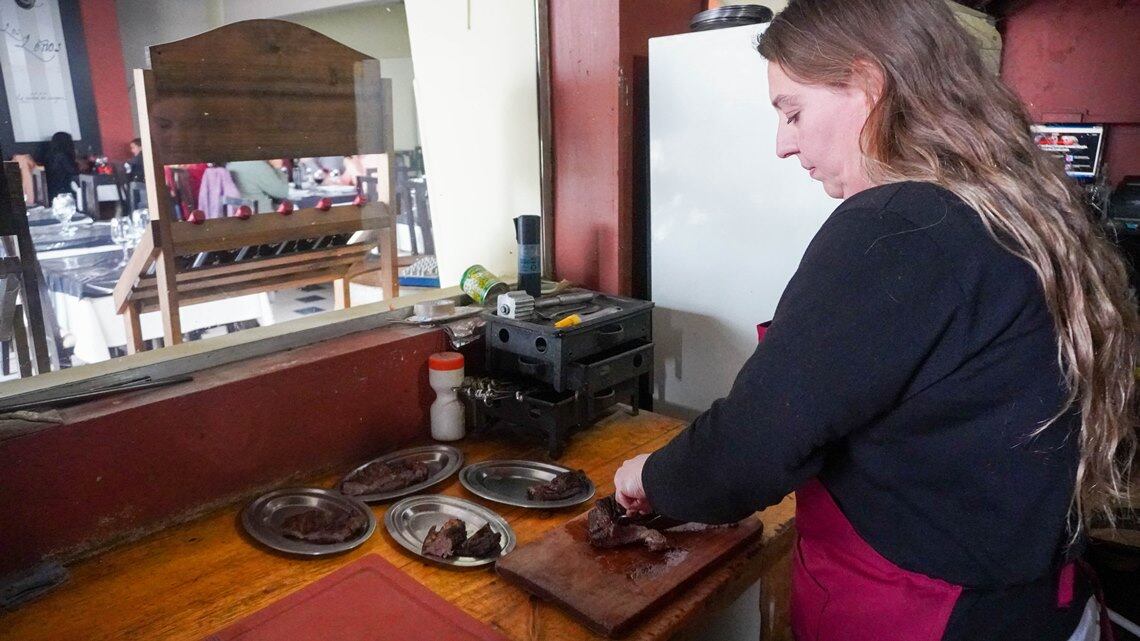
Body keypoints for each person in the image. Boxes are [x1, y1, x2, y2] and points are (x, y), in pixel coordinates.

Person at [612, 1, 1136, 640]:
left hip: (931, 613)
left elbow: (754, 445)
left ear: (868, 84)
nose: (783, 143)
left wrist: (655, 477)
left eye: (792, 111)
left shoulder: (896, 227)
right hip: (1034, 604)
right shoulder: (996, 210)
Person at [225, 159, 290, 214]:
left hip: (239, 216)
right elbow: (282, 192)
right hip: (263, 218)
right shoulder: (257, 165)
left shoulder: (229, 165)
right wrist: (278, 167)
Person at [41, 131, 79, 200]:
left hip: (53, 190)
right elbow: (74, 172)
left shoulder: (49, 155)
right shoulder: (62, 156)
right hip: (64, 192)